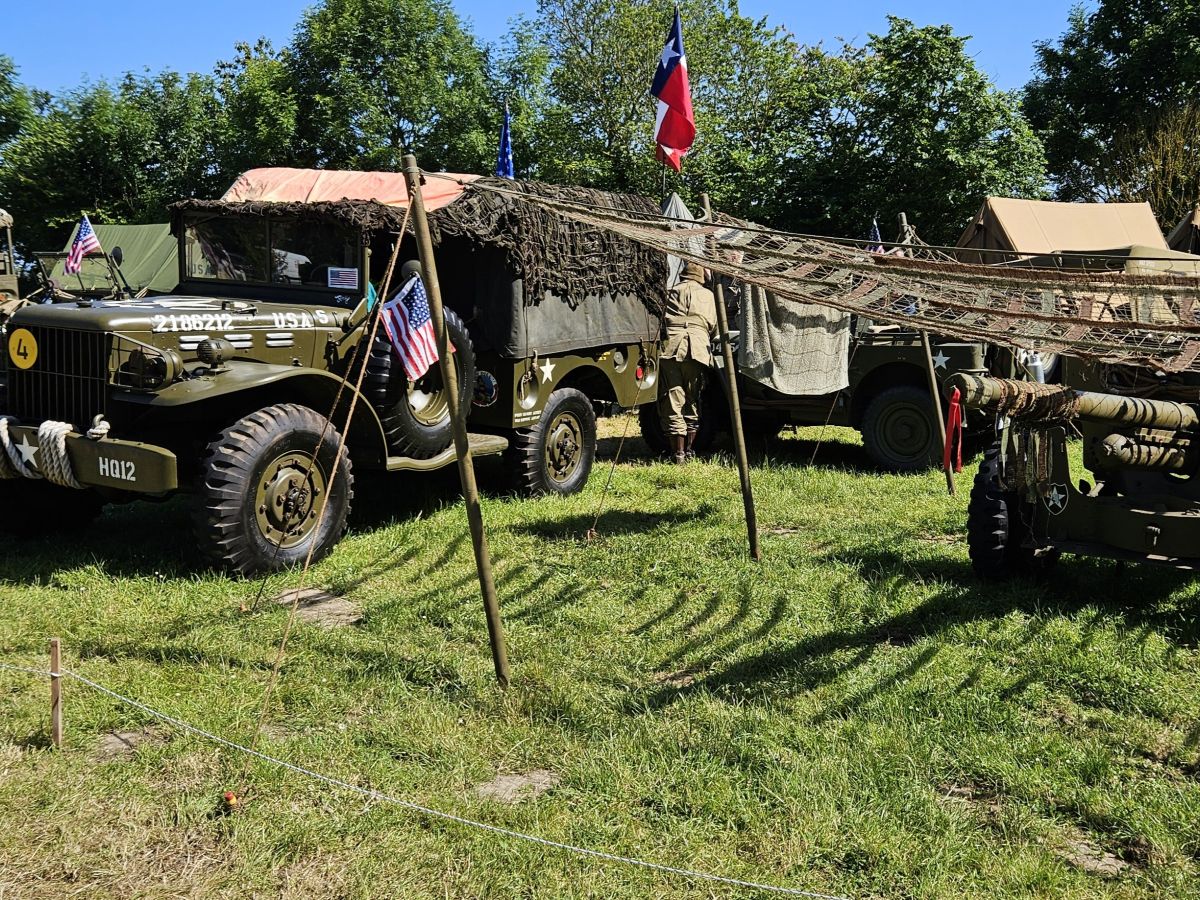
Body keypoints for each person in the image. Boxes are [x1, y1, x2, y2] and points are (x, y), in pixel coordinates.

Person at [658, 260, 718, 464]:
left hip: (671, 349)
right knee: (692, 399)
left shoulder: (671, 292)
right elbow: (715, 328)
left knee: (672, 399)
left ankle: (678, 454)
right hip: (698, 350)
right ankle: (690, 450)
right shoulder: (708, 295)